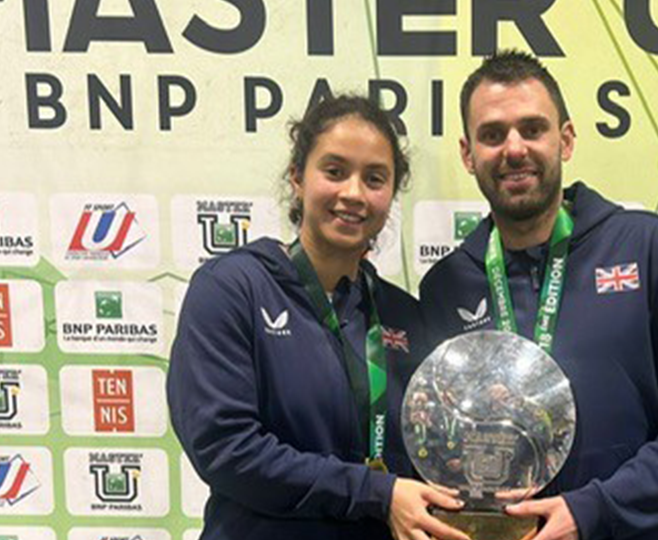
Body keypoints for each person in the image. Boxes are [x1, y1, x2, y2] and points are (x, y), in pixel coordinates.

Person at [419, 50, 658, 540]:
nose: (514, 148)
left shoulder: (650, 249)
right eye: (492, 134)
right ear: (468, 154)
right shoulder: (447, 284)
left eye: (533, 129)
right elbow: (439, 438)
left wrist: (594, 509)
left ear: (565, 140)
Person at [168, 95, 469, 540]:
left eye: (374, 178)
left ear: (390, 195)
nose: (353, 193)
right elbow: (225, 450)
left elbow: (422, 450)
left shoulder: (401, 313)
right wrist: (374, 492)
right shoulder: (233, 288)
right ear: (297, 178)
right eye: (334, 171)